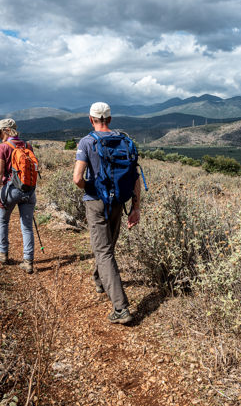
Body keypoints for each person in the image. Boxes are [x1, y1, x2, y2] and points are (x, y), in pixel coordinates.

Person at [73, 102, 141, 324]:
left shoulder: (87, 142)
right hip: (119, 202)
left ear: (91, 119)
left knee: (103, 251)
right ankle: (100, 280)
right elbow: (135, 177)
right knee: (107, 247)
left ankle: (121, 308)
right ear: (109, 119)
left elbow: (77, 179)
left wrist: (89, 188)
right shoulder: (124, 140)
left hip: (96, 202)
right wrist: (136, 208)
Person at [0, 118, 37, 274]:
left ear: (6, 130)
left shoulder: (3, 147)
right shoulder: (27, 145)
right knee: (27, 226)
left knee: (2, 220)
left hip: (11, 190)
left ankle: (3, 253)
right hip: (29, 190)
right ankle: (28, 261)